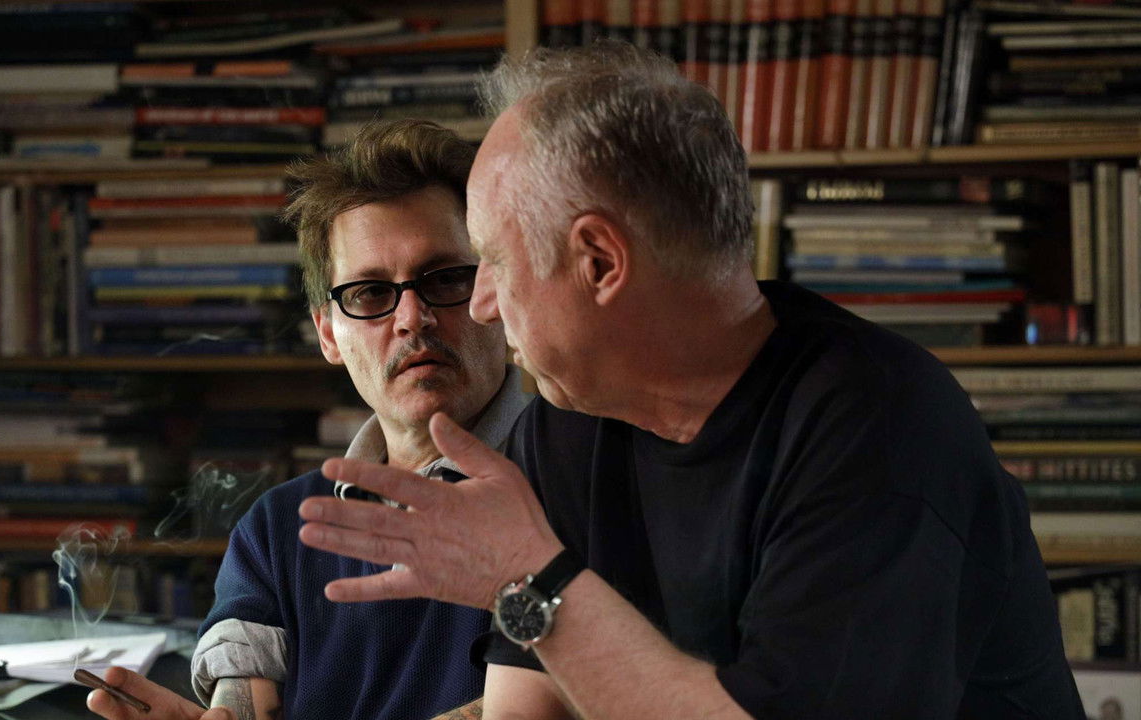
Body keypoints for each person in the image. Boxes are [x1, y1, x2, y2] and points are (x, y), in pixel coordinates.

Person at [295, 43, 1087, 719]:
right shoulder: (568, 419)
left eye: (494, 261)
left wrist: (526, 578)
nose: (482, 305)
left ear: (599, 262)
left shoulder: (879, 429)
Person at [86, 119, 526, 720]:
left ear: (495, 290)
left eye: (446, 278)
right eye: (370, 293)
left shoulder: (587, 479)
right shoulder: (280, 529)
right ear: (328, 334)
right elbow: (245, 706)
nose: (412, 318)